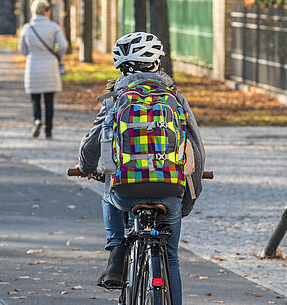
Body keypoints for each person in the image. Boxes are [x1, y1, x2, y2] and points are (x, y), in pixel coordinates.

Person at [77, 32, 205, 305]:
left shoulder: (115, 98)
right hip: (170, 190)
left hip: (125, 191)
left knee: (108, 194)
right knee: (171, 258)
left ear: (121, 66)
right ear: (158, 63)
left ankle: (115, 249)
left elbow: (91, 146)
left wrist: (86, 167)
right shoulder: (175, 99)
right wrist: (187, 200)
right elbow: (196, 150)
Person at [18, 0, 68, 139]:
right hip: (50, 65)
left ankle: (37, 120)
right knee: (49, 100)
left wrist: (32, 53)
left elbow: (21, 49)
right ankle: (49, 131)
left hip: (33, 65)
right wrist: (57, 55)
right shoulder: (54, 27)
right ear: (46, 11)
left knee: (35, 98)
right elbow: (63, 45)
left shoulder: (27, 28)